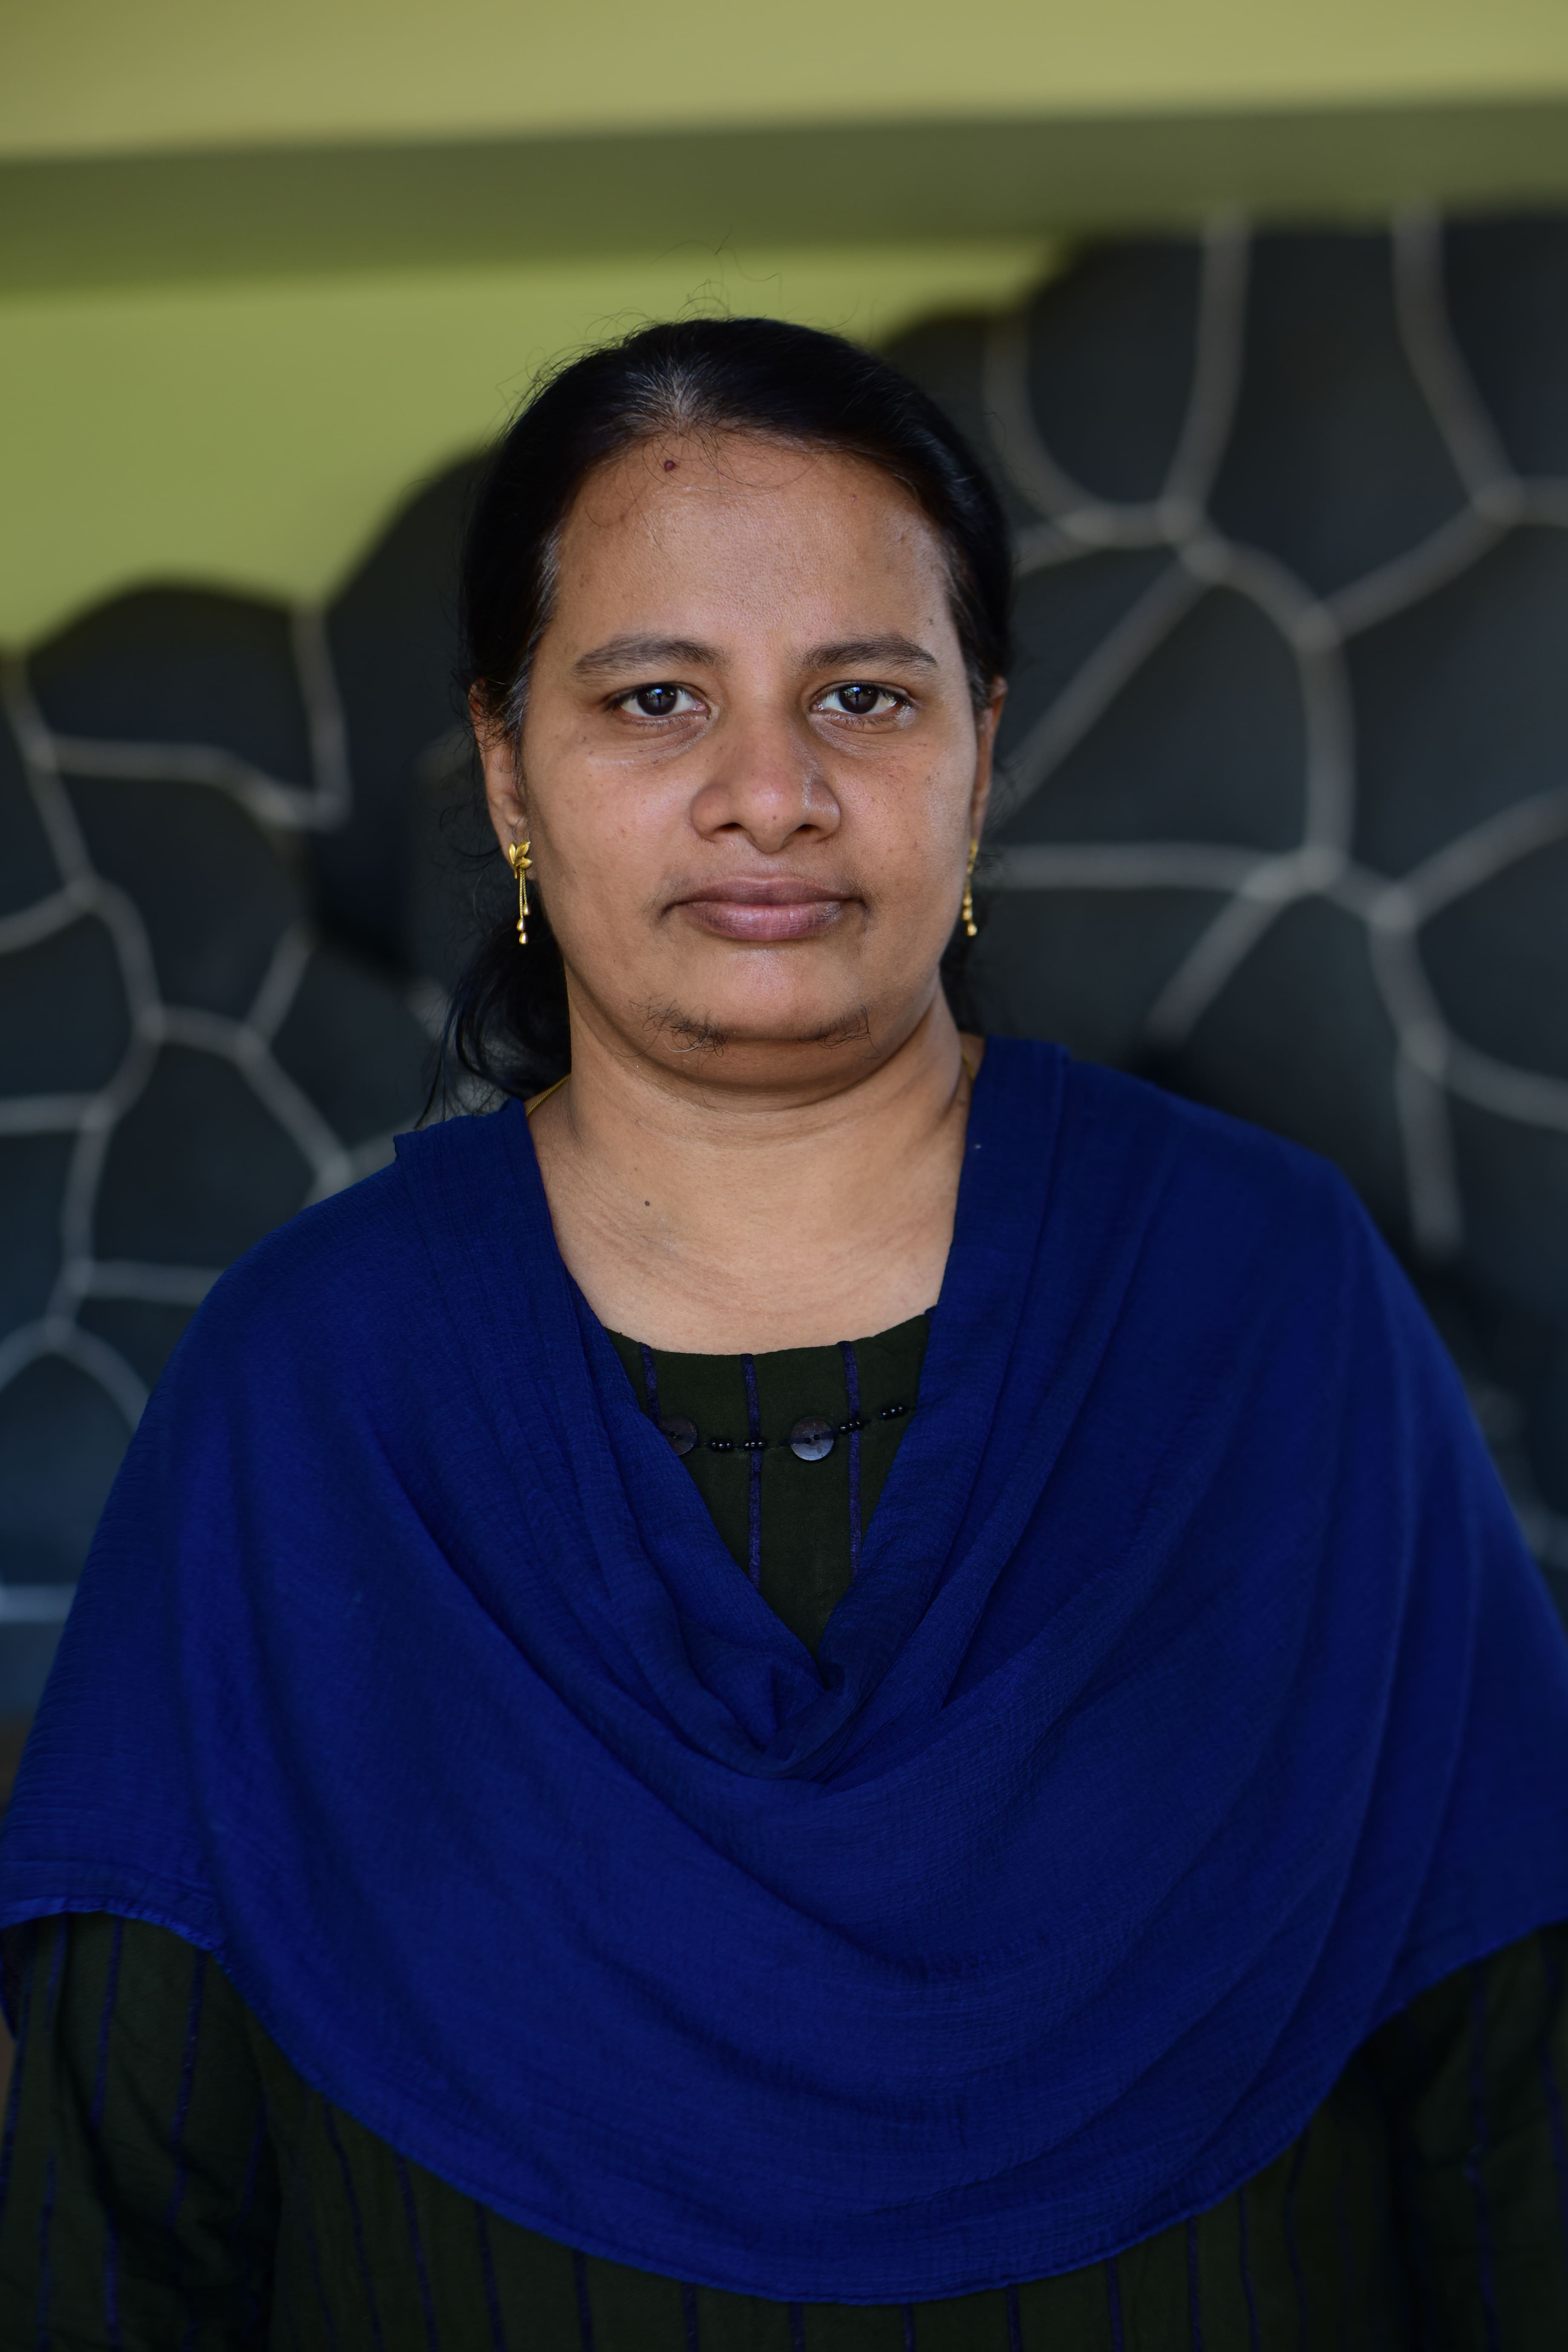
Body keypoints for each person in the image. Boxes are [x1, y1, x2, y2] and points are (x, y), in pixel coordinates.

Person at [2, 317, 1567, 2350]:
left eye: (861, 696)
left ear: (977, 752)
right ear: (507, 767)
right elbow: (117, 2227)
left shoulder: (1265, 1308)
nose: (769, 793)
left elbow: (1517, 2100)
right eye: (656, 698)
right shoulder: (307, 1393)